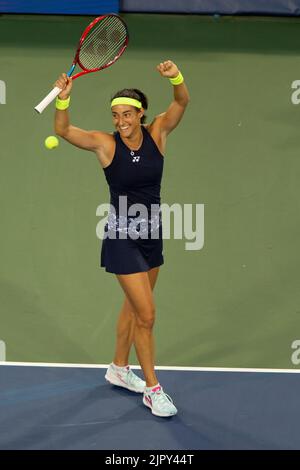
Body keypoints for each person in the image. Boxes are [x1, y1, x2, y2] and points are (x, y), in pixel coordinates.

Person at [54, 60, 190, 417]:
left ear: (141, 114)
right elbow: (64, 131)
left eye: (127, 115)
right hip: (121, 237)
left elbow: (181, 103)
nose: (120, 122)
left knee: (134, 306)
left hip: (152, 234)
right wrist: (63, 100)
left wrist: (175, 77)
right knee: (146, 316)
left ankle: (117, 367)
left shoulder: (158, 133)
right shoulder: (104, 144)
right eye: (116, 116)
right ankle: (153, 389)